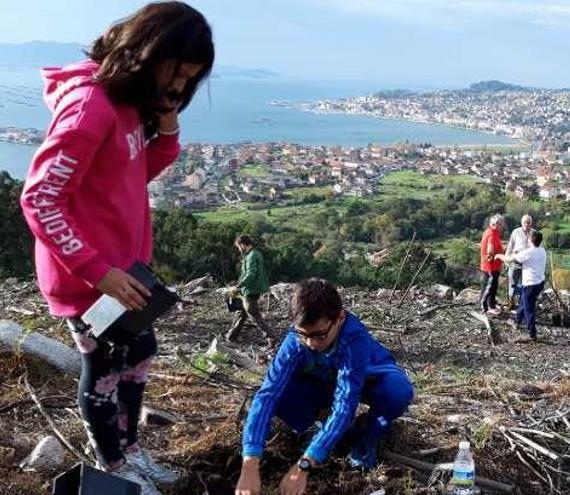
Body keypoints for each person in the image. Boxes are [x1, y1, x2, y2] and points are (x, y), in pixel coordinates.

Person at [18, 3, 213, 494]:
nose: (177, 89)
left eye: (189, 81)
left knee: (140, 348)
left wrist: (167, 121)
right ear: (149, 54)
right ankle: (113, 463)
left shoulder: (128, 103)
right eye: (177, 74)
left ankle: (129, 448)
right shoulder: (91, 107)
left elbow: (135, 170)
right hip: (88, 277)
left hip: (123, 271)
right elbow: (40, 198)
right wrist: (96, 271)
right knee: (103, 367)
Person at [235, 279, 414, 495]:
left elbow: (345, 404)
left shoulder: (353, 339)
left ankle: (367, 432)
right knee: (278, 395)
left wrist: (304, 465)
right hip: (322, 385)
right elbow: (267, 396)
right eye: (303, 334)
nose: (311, 343)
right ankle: (321, 428)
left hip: (365, 380)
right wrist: (250, 463)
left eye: (319, 334)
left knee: (397, 392)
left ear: (339, 318)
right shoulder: (296, 342)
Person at [496, 230, 547, 342]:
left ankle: (532, 335)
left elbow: (509, 259)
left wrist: (498, 255)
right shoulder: (542, 250)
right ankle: (516, 321)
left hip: (530, 285)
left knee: (529, 310)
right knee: (523, 302)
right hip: (539, 283)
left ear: (530, 240)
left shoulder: (528, 252)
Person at [226, 234, 272, 342]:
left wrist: (238, 286)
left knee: (255, 316)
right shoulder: (256, 254)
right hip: (251, 289)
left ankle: (272, 338)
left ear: (243, 244)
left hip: (251, 290)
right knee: (241, 313)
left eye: (238, 246)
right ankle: (231, 337)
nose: (238, 249)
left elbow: (251, 274)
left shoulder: (251, 256)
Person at [504, 214, 534, 310]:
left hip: (528, 265)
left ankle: (522, 304)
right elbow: (510, 246)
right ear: (522, 223)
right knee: (512, 284)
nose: (526, 224)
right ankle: (510, 302)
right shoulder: (516, 232)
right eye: (525, 222)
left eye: (528, 222)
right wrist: (506, 259)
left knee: (526, 285)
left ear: (531, 223)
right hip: (515, 262)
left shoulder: (534, 233)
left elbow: (537, 249)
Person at [479, 214, 505, 316]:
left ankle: (492, 304)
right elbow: (490, 251)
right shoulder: (492, 234)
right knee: (489, 287)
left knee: (492, 287)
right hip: (491, 267)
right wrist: (498, 255)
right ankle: (486, 307)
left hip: (491, 266)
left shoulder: (490, 231)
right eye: (500, 224)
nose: (501, 226)